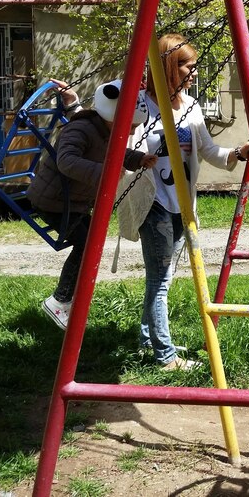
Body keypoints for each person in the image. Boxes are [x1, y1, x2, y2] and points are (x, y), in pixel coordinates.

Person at [120, 33, 249, 372]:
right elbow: (119, 148)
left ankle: (148, 338)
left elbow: (208, 151)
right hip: (153, 202)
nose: (194, 73)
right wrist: (139, 156)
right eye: (188, 67)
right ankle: (165, 356)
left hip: (183, 203)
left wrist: (238, 152)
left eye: (194, 67)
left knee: (160, 276)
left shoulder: (192, 107)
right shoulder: (140, 103)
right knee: (161, 279)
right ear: (168, 67)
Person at [29, 80, 156, 330]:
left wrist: (139, 158)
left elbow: (118, 154)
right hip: (52, 200)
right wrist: (106, 171)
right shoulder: (81, 129)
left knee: (91, 243)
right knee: (86, 244)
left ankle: (68, 299)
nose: (131, 133)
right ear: (112, 115)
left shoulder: (108, 131)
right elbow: (66, 161)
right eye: (130, 126)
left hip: (73, 202)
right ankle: (59, 300)